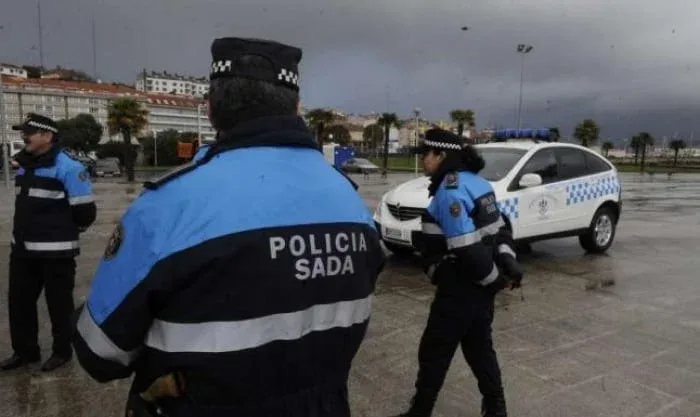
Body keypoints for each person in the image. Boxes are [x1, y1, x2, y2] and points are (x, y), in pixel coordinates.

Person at [72, 37, 384, 417]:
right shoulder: (349, 200)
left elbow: (100, 353)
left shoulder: (169, 206)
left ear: (210, 109)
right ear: (297, 107)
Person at [393, 128, 523, 417]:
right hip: (477, 287)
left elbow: (466, 248)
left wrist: (493, 282)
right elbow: (499, 231)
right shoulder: (479, 184)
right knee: (479, 350)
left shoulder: (449, 190)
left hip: (461, 287)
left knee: (434, 351)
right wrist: (508, 263)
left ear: (441, 155)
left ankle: (420, 412)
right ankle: (496, 408)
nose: (422, 160)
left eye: (425, 154)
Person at [1, 113, 96, 372]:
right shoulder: (25, 164)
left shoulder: (70, 167)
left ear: (47, 136)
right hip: (22, 251)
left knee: (59, 306)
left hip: (56, 253)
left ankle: (62, 351)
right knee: (19, 304)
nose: (24, 137)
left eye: (29, 133)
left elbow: (85, 212)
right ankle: (25, 352)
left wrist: (61, 233)